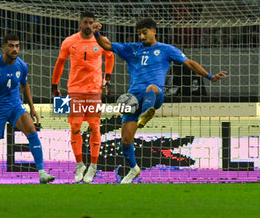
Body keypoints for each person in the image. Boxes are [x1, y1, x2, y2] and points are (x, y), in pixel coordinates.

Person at [93, 18, 227, 184]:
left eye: (145, 32)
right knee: (126, 141)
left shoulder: (166, 49)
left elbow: (189, 63)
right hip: (132, 98)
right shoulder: (132, 49)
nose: (142, 36)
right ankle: (133, 168)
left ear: (153, 31)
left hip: (155, 95)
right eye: (139, 33)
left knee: (152, 88)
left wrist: (209, 76)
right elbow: (106, 45)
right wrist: (96, 32)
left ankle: (146, 113)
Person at [0, 33, 55, 184]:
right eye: (11, 46)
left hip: (15, 106)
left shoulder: (21, 65)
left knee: (31, 130)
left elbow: (25, 85)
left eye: (17, 46)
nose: (15, 49)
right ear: (4, 47)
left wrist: (32, 108)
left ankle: (42, 173)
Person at [52, 12, 114, 183]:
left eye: (91, 22)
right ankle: (80, 164)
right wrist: (54, 85)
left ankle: (93, 165)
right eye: (85, 22)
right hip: (75, 90)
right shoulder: (69, 41)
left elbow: (110, 56)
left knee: (95, 126)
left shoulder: (100, 41)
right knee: (75, 126)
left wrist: (107, 78)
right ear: (80, 23)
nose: (88, 25)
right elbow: (60, 63)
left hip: (94, 90)